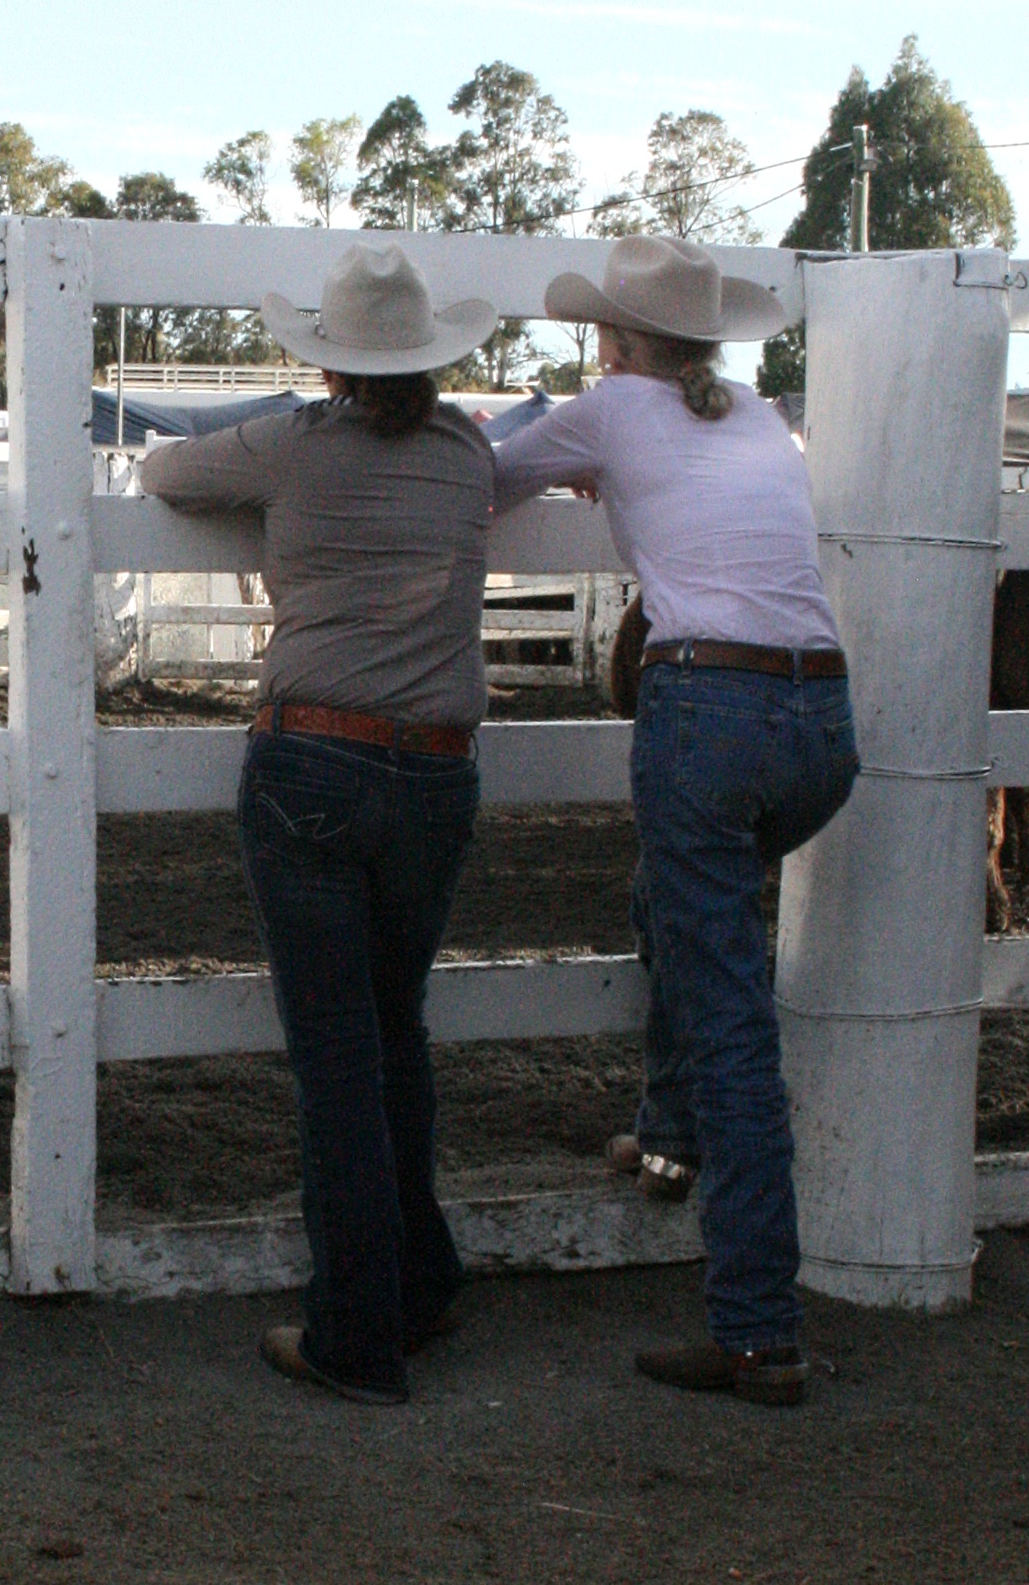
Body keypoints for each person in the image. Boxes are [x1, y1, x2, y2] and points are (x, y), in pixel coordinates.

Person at [491, 234, 859, 1407]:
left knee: (731, 1018)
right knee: (675, 905)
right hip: (819, 723)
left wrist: (578, 458)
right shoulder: (753, 415)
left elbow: (488, 479)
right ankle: (666, 1129)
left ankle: (757, 1333)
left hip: (709, 710)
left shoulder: (606, 409)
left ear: (619, 341)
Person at [138, 244, 498, 1405]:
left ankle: (355, 1330)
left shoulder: (293, 445)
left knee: (338, 1055)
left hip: (311, 758)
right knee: (394, 1030)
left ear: (330, 361)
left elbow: (164, 474)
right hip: (434, 771)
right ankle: (419, 1276)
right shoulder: (465, 451)